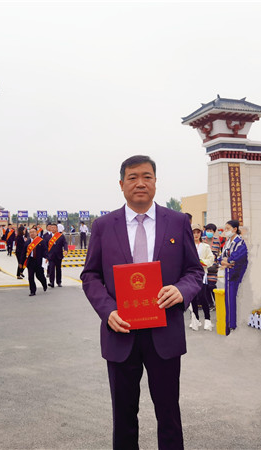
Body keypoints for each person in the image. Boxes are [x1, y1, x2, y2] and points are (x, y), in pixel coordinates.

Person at [81, 155, 203, 449]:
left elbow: (194, 271)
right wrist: (108, 311)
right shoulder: (103, 226)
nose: (140, 183)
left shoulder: (177, 222)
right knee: (123, 416)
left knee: (169, 413)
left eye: (147, 177)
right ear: (121, 184)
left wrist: (181, 290)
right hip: (120, 332)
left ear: (156, 182)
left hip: (165, 332)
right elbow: (91, 276)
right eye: (132, 177)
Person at [219, 219, 248, 332]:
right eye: (225, 229)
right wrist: (223, 262)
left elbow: (238, 256)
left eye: (228, 228)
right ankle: (229, 322)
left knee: (234, 298)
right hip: (228, 273)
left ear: (235, 229)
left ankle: (234, 323)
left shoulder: (240, 241)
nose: (226, 231)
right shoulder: (227, 242)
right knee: (228, 298)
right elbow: (221, 257)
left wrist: (228, 261)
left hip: (236, 273)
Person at [188, 224, 215, 332]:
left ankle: (207, 320)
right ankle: (195, 319)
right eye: (194, 232)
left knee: (202, 296)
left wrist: (203, 262)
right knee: (193, 298)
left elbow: (211, 259)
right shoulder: (188, 245)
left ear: (200, 233)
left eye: (198, 232)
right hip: (190, 275)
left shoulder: (205, 246)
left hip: (201, 274)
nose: (196, 235)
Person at [24, 227, 48, 296]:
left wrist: (46, 257)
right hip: (30, 261)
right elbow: (23, 253)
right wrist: (21, 262)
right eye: (30, 232)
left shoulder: (41, 241)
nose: (32, 233)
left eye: (33, 232)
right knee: (30, 277)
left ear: (36, 233)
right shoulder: (27, 242)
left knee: (39, 275)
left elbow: (45, 250)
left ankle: (44, 283)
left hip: (38, 261)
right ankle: (32, 291)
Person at [203, 223, 222, 310]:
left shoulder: (217, 240)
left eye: (211, 231)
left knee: (212, 285)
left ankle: (217, 302)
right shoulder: (202, 239)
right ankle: (210, 304)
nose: (209, 232)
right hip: (204, 266)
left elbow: (217, 252)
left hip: (213, 266)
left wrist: (214, 257)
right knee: (205, 287)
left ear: (214, 232)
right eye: (207, 230)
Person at [45, 223, 68, 288]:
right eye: (51, 227)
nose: (53, 229)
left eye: (54, 228)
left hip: (58, 255)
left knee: (58, 269)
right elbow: (45, 247)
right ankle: (51, 282)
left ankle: (59, 282)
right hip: (51, 256)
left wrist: (65, 250)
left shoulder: (61, 236)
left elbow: (65, 243)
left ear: (57, 229)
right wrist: (46, 256)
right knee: (51, 269)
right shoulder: (47, 237)